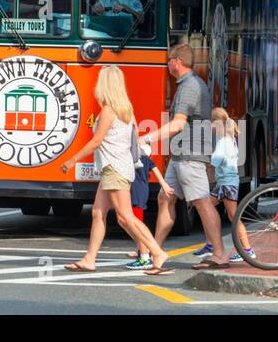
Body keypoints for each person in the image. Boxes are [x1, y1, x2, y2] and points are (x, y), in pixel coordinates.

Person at [58, 66, 170, 275]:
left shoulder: (109, 111)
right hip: (117, 167)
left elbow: (97, 141)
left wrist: (72, 160)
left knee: (125, 216)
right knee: (98, 213)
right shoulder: (126, 110)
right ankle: (89, 258)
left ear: (105, 85)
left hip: (114, 168)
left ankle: (157, 252)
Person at [140, 43, 229, 269]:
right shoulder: (187, 84)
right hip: (181, 155)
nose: (167, 63)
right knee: (165, 198)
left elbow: (178, 124)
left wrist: (147, 138)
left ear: (177, 62)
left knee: (202, 202)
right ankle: (156, 252)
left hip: (191, 155)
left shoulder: (190, 86)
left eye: (169, 59)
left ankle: (220, 254)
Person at [204, 108, 253, 263]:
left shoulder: (223, 141)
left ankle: (248, 250)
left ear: (217, 123)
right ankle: (210, 244)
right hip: (225, 183)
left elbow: (216, 161)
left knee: (234, 216)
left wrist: (203, 162)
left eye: (211, 123)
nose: (210, 126)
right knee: (206, 207)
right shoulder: (229, 139)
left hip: (227, 184)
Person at [124, 145, 171, 269]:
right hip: (142, 192)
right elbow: (156, 171)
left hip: (135, 193)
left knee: (136, 226)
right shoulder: (147, 159)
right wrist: (164, 185)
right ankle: (142, 252)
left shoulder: (133, 156)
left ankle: (144, 257)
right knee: (135, 224)